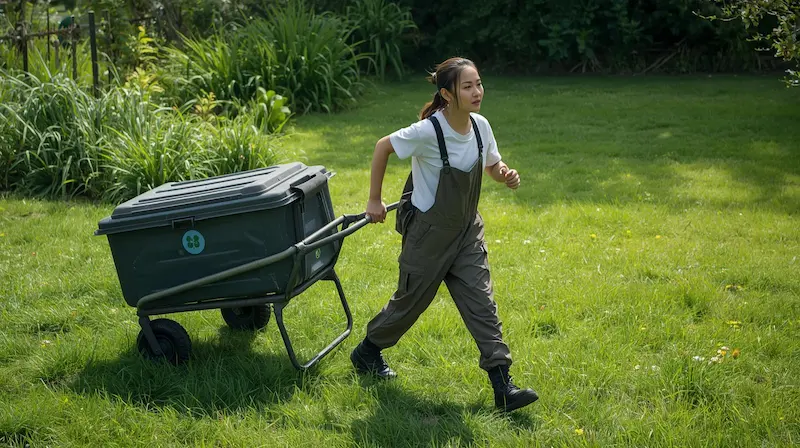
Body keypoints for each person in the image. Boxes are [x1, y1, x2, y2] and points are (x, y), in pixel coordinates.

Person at [349, 57, 539, 413]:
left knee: (482, 304)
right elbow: (382, 146)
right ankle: (367, 351)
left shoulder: (481, 126)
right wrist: (374, 199)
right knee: (409, 304)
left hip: (467, 232)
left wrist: (504, 173)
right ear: (447, 94)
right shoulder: (428, 132)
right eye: (467, 86)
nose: (477, 91)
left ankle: (503, 386)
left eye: (478, 84)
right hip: (429, 237)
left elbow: (492, 164)